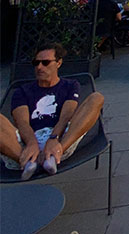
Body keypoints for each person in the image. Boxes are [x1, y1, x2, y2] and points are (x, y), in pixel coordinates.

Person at [3, 44, 105, 181]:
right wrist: (31, 143)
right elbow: (22, 123)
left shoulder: (70, 85)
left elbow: (66, 116)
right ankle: (28, 161)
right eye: (36, 63)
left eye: (45, 62)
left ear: (58, 63)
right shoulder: (22, 91)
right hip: (26, 143)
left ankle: (55, 154)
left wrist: (54, 139)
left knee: (96, 98)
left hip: (61, 138)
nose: (39, 67)